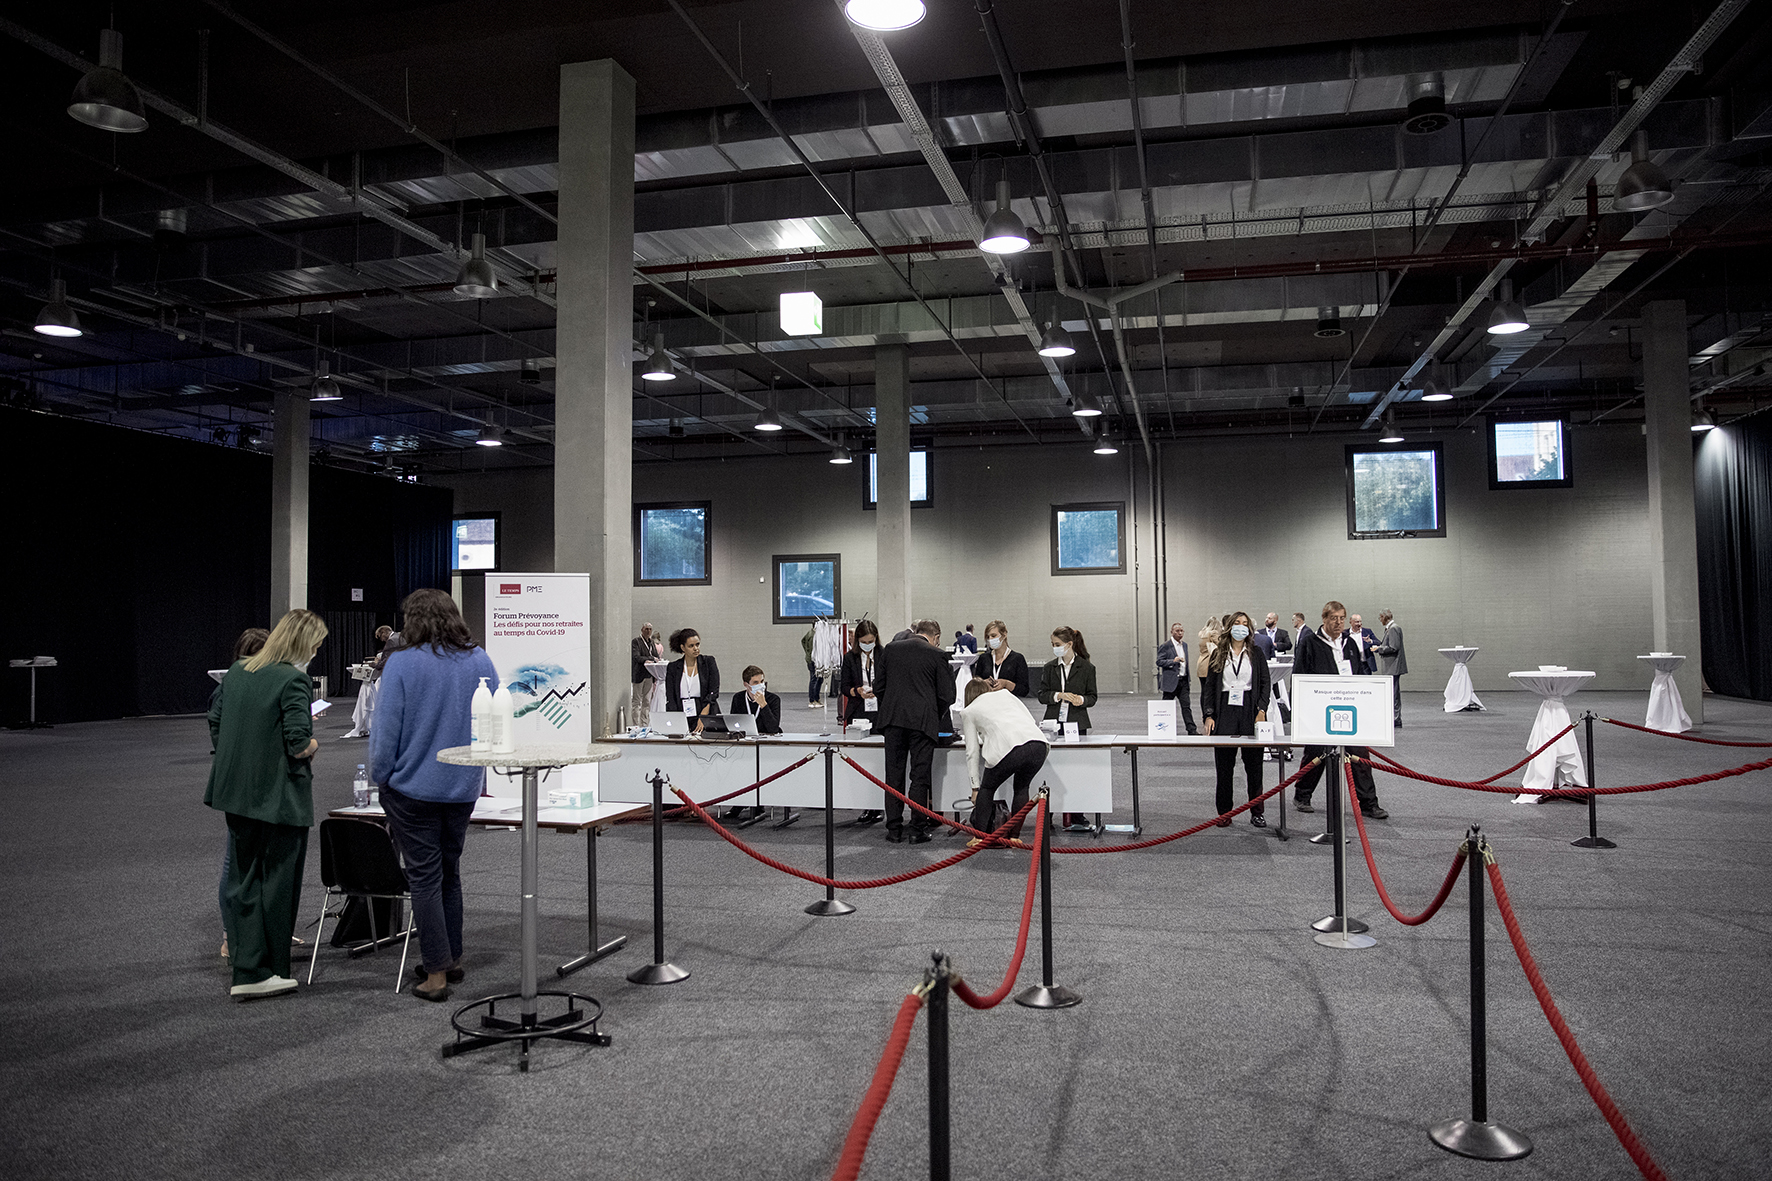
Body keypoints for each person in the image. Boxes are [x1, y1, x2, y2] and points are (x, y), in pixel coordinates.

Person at [370, 588, 499, 1003]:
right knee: (449, 873)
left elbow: (385, 732)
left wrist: (380, 778)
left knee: (424, 878)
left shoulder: (402, 662)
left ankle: (436, 973)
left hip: (413, 789)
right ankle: (452, 958)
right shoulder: (480, 659)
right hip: (462, 787)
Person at [206, 608, 328, 1000]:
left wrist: (240, 755)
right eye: (316, 644)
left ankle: (247, 966)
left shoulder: (238, 671)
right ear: (302, 642)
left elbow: (216, 722)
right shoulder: (293, 679)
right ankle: (268, 970)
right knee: (277, 883)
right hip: (279, 797)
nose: (316, 651)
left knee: (243, 881)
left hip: (235, 792)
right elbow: (299, 743)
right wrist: (314, 744)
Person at [1290, 601, 1387, 819]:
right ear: (1324, 618)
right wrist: (1300, 711)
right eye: (1334, 618)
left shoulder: (1349, 643)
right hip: (1320, 711)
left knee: (1360, 756)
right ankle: (1302, 795)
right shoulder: (1310, 643)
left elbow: (1359, 674)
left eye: (1342, 618)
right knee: (1316, 755)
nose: (1338, 623)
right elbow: (1298, 676)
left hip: (1348, 709)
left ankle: (1369, 803)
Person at [213, 626, 269, 961]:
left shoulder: (236, 685)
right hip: (245, 786)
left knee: (251, 860)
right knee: (235, 862)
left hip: (245, 783)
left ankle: (254, 931)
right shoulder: (233, 688)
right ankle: (230, 935)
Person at [874, 619, 956, 844]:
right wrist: (933, 712)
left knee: (893, 775)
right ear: (936, 637)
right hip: (922, 723)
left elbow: (878, 687)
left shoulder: (891, 649)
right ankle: (916, 830)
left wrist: (892, 706)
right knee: (919, 777)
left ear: (916, 631)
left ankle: (893, 829)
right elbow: (947, 696)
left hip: (892, 721)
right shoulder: (937, 654)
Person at [1201, 612, 1271, 828]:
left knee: (1254, 768)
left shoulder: (1256, 653)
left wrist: (1261, 710)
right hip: (1225, 711)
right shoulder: (1218, 653)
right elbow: (1209, 687)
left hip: (1250, 710)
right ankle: (1224, 813)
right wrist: (1209, 715)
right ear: (1230, 627)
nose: (1241, 627)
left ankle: (1257, 812)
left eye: (1245, 624)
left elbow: (1265, 683)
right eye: (1237, 623)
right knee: (1224, 768)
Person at [960, 679, 1048, 848]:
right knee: (1022, 788)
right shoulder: (1005, 694)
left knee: (987, 789)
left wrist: (974, 787)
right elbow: (1029, 719)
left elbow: (972, 751)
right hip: (1039, 744)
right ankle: (1014, 837)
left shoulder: (968, 711)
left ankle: (980, 837)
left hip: (1011, 748)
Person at [1039, 626, 1098, 829]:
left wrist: (1081, 700)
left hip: (1077, 723)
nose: (1054, 648)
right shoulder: (1049, 668)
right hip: (1052, 724)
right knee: (1051, 769)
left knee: (1076, 768)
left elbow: (1093, 697)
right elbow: (1041, 695)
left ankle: (1077, 814)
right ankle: (1048, 814)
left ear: (1069, 644)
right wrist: (1058, 695)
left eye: (1057, 644)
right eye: (1052, 644)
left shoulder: (1087, 668)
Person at [837, 622, 886, 824]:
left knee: (879, 760)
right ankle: (867, 805)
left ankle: (880, 804)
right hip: (858, 711)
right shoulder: (850, 658)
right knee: (862, 759)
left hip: (880, 711)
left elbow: (890, 681)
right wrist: (857, 691)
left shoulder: (884, 655)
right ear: (858, 641)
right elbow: (843, 686)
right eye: (864, 642)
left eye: (871, 641)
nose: (867, 645)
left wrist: (878, 691)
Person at [664, 628, 721, 733]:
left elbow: (714, 691)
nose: (696, 648)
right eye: (691, 646)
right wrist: (677, 720)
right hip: (681, 712)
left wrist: (703, 716)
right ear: (683, 647)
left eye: (697, 644)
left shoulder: (708, 662)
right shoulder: (673, 667)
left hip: (704, 710)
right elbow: (671, 696)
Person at [1155, 622, 1200, 735]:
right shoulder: (1166, 646)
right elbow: (1159, 661)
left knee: (1186, 707)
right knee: (1166, 707)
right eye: (1177, 631)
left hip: (1183, 681)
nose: (1180, 633)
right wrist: (1172, 661)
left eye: (1181, 631)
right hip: (1170, 682)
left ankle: (1192, 730)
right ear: (1172, 632)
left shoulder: (1185, 645)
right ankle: (1163, 729)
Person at [974, 620, 1031, 698]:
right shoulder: (983, 658)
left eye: (993, 636)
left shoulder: (1018, 659)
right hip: (987, 702)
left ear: (1004, 635)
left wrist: (1006, 684)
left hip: (1009, 702)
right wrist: (983, 684)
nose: (990, 639)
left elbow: (1024, 690)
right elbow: (975, 686)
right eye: (988, 637)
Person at [1373, 609, 1408, 726]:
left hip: (1393, 666)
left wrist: (1379, 649)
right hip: (1391, 666)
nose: (1380, 620)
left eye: (1380, 617)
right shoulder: (1391, 628)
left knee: (1394, 694)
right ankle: (1394, 717)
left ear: (1384, 617)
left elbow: (1394, 647)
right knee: (1392, 693)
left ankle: (1396, 718)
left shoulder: (1393, 628)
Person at [630, 623, 662, 728]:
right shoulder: (636, 641)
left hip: (649, 675)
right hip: (639, 675)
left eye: (650, 629)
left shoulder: (651, 642)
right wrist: (650, 658)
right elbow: (636, 657)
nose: (648, 631)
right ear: (642, 630)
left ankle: (644, 724)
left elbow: (656, 656)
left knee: (647, 701)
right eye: (646, 629)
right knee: (637, 701)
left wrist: (656, 659)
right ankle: (635, 725)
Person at [1196, 617, 1222, 723]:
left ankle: (1204, 714)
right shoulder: (1213, 633)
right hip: (1209, 664)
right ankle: (1210, 714)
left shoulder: (1202, 633)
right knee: (1210, 691)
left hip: (1201, 663)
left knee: (1203, 691)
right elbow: (1221, 645)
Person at [801, 626, 825, 709]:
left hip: (813, 659)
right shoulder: (814, 635)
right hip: (814, 660)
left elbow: (803, 640)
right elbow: (813, 648)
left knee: (819, 679)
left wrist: (807, 651)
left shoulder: (810, 633)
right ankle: (812, 700)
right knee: (814, 679)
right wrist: (809, 652)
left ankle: (816, 699)